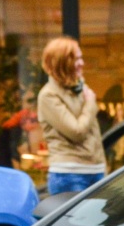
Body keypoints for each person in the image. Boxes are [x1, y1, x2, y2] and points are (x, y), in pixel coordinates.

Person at [37, 37, 105, 195]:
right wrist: (90, 104)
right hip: (69, 174)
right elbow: (76, 132)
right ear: (62, 63)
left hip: (95, 170)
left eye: (81, 58)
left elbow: (93, 134)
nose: (82, 63)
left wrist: (102, 167)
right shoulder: (48, 95)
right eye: (77, 59)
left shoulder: (80, 88)